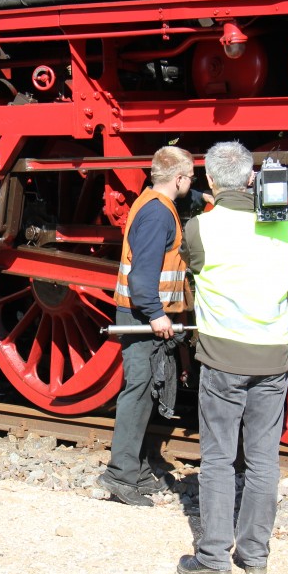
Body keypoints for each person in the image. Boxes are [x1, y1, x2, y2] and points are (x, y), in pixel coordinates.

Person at [177, 140, 288, 574]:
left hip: (223, 357)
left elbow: (192, 268)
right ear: (251, 178)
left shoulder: (200, 229)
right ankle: (254, 556)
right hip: (272, 357)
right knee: (264, 460)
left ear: (209, 180)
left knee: (219, 458)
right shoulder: (283, 226)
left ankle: (212, 558)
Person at [98, 145, 195, 507]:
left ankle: (134, 466)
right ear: (180, 178)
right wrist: (156, 314)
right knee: (137, 391)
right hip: (141, 316)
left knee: (142, 390)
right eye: (190, 179)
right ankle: (120, 474)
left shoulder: (148, 202)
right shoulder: (158, 214)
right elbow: (143, 276)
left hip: (140, 313)